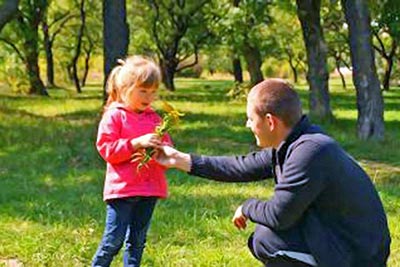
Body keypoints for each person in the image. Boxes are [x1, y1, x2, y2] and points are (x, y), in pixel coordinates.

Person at [154, 78, 391, 267]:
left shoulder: (309, 152)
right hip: (342, 238)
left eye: (250, 119)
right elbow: (240, 166)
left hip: (358, 255)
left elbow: (280, 215)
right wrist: (179, 160)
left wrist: (247, 206)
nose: (248, 125)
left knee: (267, 238)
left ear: (270, 122)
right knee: (266, 237)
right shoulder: (296, 141)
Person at [92, 55, 172, 267]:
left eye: (153, 91)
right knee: (113, 241)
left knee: (137, 241)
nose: (149, 96)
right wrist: (136, 143)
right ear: (126, 88)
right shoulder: (114, 116)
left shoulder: (155, 119)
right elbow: (107, 149)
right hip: (123, 190)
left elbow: (167, 151)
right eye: (143, 90)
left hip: (149, 189)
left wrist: (162, 153)